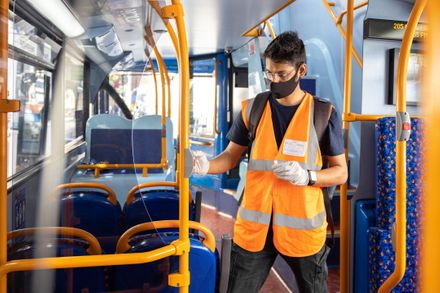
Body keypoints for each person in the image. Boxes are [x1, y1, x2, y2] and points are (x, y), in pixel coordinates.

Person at [193, 31, 347, 293]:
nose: (274, 81)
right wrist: (206, 165)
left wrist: (308, 176)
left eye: (282, 75)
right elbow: (230, 156)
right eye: (269, 74)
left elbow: (340, 173)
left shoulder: (323, 113)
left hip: (303, 233)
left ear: (301, 70)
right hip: (255, 229)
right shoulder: (251, 109)